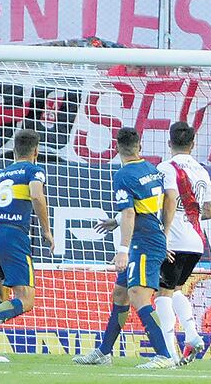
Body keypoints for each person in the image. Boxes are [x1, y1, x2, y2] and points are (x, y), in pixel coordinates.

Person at [72, 127, 176, 369]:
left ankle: (164, 355)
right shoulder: (152, 170)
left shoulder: (122, 175)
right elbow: (155, 205)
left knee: (138, 295)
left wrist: (122, 249)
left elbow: (130, 212)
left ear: (117, 149)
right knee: (120, 293)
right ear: (139, 146)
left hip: (143, 243)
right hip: (153, 238)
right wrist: (117, 220)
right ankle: (104, 352)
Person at [0, 130, 53, 361]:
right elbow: (37, 196)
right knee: (26, 299)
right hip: (13, 235)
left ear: (14, 150)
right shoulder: (34, 170)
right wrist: (47, 230)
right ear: (36, 152)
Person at [153, 122, 211, 365]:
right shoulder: (202, 171)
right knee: (176, 288)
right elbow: (210, 211)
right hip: (196, 242)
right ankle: (191, 334)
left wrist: (164, 235)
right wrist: (191, 212)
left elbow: (169, 200)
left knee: (162, 295)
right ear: (193, 144)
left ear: (169, 143)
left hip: (174, 241)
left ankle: (169, 351)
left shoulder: (166, 168)